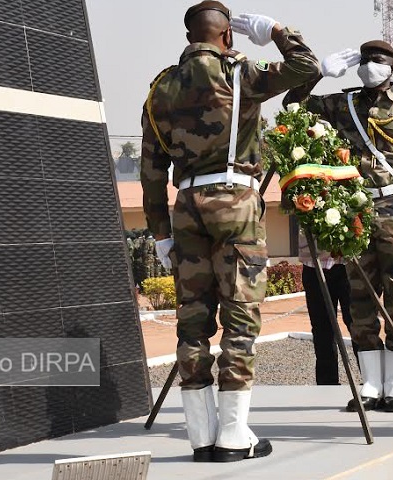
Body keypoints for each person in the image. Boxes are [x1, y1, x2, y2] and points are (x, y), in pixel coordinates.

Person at [140, 1, 319, 462]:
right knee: (240, 320)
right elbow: (308, 66)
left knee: (192, 322)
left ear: (189, 38)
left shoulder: (160, 88)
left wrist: (161, 234)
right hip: (235, 203)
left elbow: (151, 172)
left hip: (185, 209)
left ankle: (201, 435)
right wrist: (277, 29)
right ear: (227, 37)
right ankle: (234, 435)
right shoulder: (241, 72)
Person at [284, 40, 393, 413]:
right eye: (365, 60)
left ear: (392, 67)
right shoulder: (345, 104)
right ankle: (371, 385)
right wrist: (318, 72)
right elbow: (292, 106)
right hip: (355, 211)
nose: (370, 66)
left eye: (378, 61)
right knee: (361, 300)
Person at [298, 233, 357, 385]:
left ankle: (372, 382)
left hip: (350, 263)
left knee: (358, 324)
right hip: (314, 263)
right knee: (321, 328)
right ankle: (327, 384)